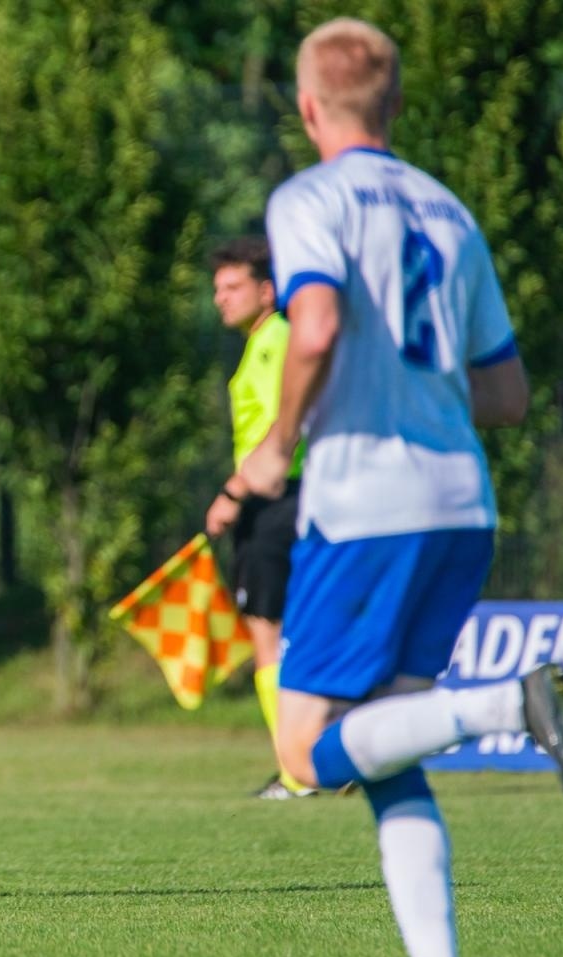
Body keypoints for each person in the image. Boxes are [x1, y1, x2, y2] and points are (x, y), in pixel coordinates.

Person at [228, 19, 563, 957]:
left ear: (308, 107)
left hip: (366, 507)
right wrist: (414, 387)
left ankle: (507, 706)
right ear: (391, 107)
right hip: (459, 505)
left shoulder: (308, 199)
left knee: (306, 750)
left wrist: (274, 447)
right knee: (386, 748)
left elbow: (312, 323)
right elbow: (508, 393)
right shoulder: (450, 211)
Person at [202, 237, 312, 801]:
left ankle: (298, 772)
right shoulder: (268, 341)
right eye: (217, 288)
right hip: (290, 498)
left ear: (266, 290)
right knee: (293, 631)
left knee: (266, 634)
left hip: (274, 500)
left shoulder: (274, 342)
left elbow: (279, 426)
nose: (220, 297)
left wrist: (233, 491)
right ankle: (316, 762)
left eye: (233, 286)